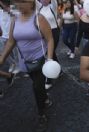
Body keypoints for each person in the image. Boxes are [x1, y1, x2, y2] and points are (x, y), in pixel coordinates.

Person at [0, 0, 54, 131]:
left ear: (31, 3)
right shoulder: (15, 19)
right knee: (37, 84)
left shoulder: (39, 18)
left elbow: (50, 39)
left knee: (36, 86)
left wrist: (50, 60)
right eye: (17, 2)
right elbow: (11, 41)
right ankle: (46, 98)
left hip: (41, 60)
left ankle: (41, 114)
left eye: (22, 1)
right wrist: (2, 59)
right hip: (25, 61)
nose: (18, 5)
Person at [36, 0, 61, 89]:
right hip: (44, 33)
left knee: (49, 53)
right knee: (51, 53)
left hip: (54, 32)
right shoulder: (39, 7)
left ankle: (48, 79)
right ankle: (59, 70)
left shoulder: (53, 5)